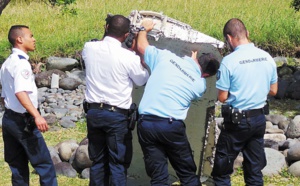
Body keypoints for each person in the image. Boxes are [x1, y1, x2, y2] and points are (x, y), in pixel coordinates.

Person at [136, 19, 220, 186]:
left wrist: (143, 29)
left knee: (158, 176)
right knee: (188, 174)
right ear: (207, 75)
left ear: (196, 57)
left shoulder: (166, 57)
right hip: (171, 126)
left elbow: (141, 47)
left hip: (146, 124)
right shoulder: (199, 85)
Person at [82, 14, 149, 186]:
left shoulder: (89, 47)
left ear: (106, 28)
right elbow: (142, 80)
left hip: (94, 112)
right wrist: (138, 55)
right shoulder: (128, 57)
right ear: (127, 35)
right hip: (116, 116)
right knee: (118, 163)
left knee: (97, 161)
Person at [211, 18, 278, 186]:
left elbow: (222, 97)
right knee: (254, 170)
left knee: (222, 170)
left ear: (229, 38)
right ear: (247, 33)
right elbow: (274, 90)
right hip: (259, 119)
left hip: (237, 123)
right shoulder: (267, 57)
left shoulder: (229, 61)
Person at [0, 25, 57, 185]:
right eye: (30, 36)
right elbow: (20, 92)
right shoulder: (21, 64)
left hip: (9, 118)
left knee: (17, 166)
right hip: (23, 121)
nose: (34, 39)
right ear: (19, 39)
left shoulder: (7, 63)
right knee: (44, 165)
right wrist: (37, 115)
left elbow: (4, 96)